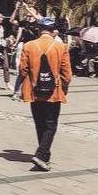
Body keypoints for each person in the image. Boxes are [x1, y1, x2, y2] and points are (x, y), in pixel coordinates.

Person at [19, 17, 72, 171]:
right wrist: (64, 85)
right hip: (53, 92)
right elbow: (67, 74)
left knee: (39, 123)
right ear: (52, 30)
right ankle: (41, 154)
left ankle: (43, 156)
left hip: (34, 91)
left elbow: (22, 70)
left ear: (38, 29)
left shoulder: (29, 46)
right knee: (51, 124)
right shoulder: (61, 47)